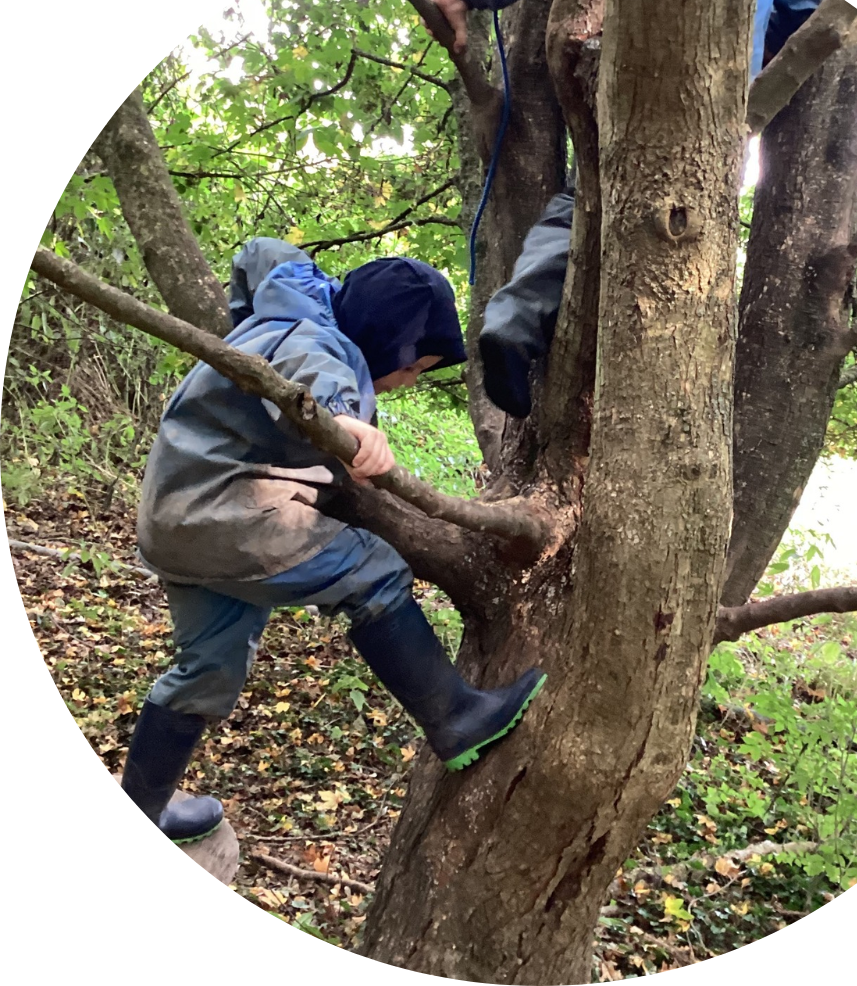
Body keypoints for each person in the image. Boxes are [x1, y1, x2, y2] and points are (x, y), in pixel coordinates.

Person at [121, 237, 546, 844]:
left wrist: (243, 322)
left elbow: (263, 251)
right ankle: (455, 717)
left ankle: (140, 811)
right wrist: (346, 421)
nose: (407, 380)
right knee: (372, 569)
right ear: (391, 342)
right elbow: (315, 385)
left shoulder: (290, 303)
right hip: (231, 518)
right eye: (415, 365)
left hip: (175, 520)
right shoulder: (318, 346)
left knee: (205, 668)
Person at [431, 0, 829, 417]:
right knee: (666, 223)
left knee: (593, 195)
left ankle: (522, 316)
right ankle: (541, 327)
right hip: (713, 86)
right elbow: (803, 2)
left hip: (628, 61)